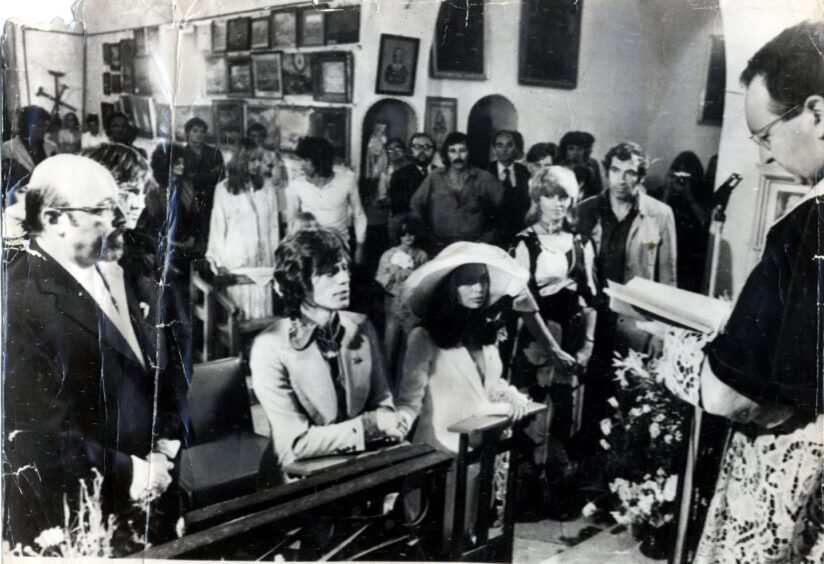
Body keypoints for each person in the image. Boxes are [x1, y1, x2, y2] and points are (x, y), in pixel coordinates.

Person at [665, 20, 823, 562]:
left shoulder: (808, 228)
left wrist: (678, 352)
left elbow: (730, 394)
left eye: (765, 135)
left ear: (817, 113)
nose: (761, 159)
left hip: (796, 480)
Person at [3, 155, 183, 550]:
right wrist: (134, 473)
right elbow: (39, 434)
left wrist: (166, 441)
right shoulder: (19, 300)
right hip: (86, 511)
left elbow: (148, 371)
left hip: (151, 488)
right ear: (53, 220)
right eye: (102, 208)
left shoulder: (108, 267)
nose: (121, 216)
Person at [395, 244, 533, 540]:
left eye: (482, 280)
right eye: (468, 281)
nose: (478, 288)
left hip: (479, 453)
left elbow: (490, 384)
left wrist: (510, 396)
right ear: (450, 288)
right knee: (443, 538)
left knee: (472, 535)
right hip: (440, 454)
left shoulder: (484, 332)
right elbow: (409, 398)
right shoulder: (425, 335)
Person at [250, 228, 402, 483]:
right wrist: (367, 428)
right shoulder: (270, 347)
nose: (344, 279)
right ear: (299, 280)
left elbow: (383, 404)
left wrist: (383, 422)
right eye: (330, 272)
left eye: (345, 269)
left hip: (361, 466)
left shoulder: (361, 327)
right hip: (300, 478)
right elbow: (297, 443)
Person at [573, 141, 677, 455]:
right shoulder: (585, 210)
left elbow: (668, 281)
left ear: (640, 177)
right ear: (606, 171)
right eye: (615, 171)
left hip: (636, 327)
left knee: (630, 406)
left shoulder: (660, 215)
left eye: (630, 173)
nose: (621, 180)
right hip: (594, 324)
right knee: (588, 404)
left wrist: (662, 333)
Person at [509, 166, 599, 517]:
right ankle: (525, 497)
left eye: (564, 196)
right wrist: (551, 349)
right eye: (550, 196)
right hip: (535, 342)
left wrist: (587, 346)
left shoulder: (581, 242)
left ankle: (557, 494)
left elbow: (591, 298)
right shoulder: (523, 242)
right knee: (531, 414)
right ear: (537, 199)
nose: (558, 204)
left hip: (572, 340)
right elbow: (522, 303)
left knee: (564, 416)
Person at [206, 138, 280, 321]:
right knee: (240, 312)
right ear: (241, 160)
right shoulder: (223, 189)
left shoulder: (267, 188)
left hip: (263, 260)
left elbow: (273, 226)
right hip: (237, 258)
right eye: (252, 160)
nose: (257, 165)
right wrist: (219, 260)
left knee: (262, 312)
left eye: (259, 160)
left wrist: (276, 256)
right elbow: (218, 225)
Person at [410, 132, 504, 254]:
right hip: (439, 246)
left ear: (470, 152)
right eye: (452, 151)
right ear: (446, 154)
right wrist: (425, 234)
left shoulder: (484, 178)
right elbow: (415, 204)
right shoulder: (435, 176)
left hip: (473, 246)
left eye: (462, 150)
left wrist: (488, 237)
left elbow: (503, 207)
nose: (458, 156)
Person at [287, 136, 367, 264]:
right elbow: (292, 221)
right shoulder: (296, 185)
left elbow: (359, 215)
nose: (301, 165)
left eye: (306, 160)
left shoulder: (347, 180)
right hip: (309, 251)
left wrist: (360, 247)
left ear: (320, 160)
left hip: (340, 249)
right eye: (300, 160)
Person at [374, 216, 428, 385]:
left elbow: (427, 277)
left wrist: (415, 279)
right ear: (398, 235)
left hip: (413, 304)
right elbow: (381, 277)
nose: (408, 237)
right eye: (404, 234)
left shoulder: (421, 255)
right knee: (390, 342)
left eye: (412, 234)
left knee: (412, 343)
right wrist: (396, 277)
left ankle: (408, 384)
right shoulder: (389, 255)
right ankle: (384, 384)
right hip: (393, 303)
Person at [655, 151, 712, 293]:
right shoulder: (663, 191)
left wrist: (689, 195)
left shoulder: (702, 191)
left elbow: (704, 220)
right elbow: (656, 219)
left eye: (686, 176)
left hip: (691, 250)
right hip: (667, 244)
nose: (681, 180)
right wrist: (667, 190)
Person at [388, 133, 437, 241]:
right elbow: (398, 210)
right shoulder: (399, 175)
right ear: (411, 150)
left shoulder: (440, 173)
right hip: (411, 234)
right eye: (417, 147)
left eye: (427, 147)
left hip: (437, 232)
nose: (422, 151)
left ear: (433, 150)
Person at [488, 130, 531, 248]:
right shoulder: (485, 172)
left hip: (519, 236)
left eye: (509, 145)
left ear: (516, 148)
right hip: (491, 238)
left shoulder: (525, 172)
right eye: (499, 145)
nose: (504, 150)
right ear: (494, 148)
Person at [247, 122, 289, 230]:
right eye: (253, 136)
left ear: (264, 138)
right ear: (248, 137)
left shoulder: (272, 154)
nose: (257, 139)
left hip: (267, 192)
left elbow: (279, 178)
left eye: (260, 136)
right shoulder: (244, 153)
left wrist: (270, 172)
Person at [183, 117, 224, 224]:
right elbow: (184, 178)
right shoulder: (181, 154)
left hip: (212, 197)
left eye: (202, 131)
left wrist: (195, 176)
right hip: (189, 198)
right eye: (195, 131)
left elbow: (220, 176)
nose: (199, 134)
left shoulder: (214, 152)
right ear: (188, 133)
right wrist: (210, 174)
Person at [2, 105, 57, 172]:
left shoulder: (52, 147)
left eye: (45, 126)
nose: (44, 130)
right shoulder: (8, 148)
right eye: (39, 126)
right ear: (26, 125)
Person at [559, 131, 604, 200]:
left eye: (579, 149)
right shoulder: (560, 168)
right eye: (571, 148)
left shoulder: (593, 164)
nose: (575, 153)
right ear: (565, 150)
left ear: (586, 151)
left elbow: (598, 192)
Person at [376, 137, 409, 206]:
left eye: (397, 148)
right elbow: (382, 198)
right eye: (390, 149)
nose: (394, 152)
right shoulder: (385, 174)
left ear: (404, 151)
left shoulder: (412, 170)